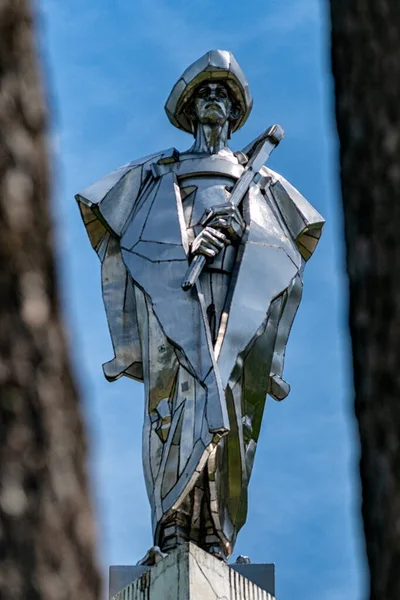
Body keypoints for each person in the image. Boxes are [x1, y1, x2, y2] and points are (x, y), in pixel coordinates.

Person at [76, 50, 324, 560]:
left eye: (223, 97)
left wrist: (242, 232)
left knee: (232, 404)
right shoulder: (159, 174)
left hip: (233, 303)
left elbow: (291, 243)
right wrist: (187, 243)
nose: (214, 102)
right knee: (175, 403)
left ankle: (218, 530)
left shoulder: (259, 182)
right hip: (175, 299)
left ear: (234, 115)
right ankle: (172, 525)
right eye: (205, 94)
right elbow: (123, 231)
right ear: (190, 109)